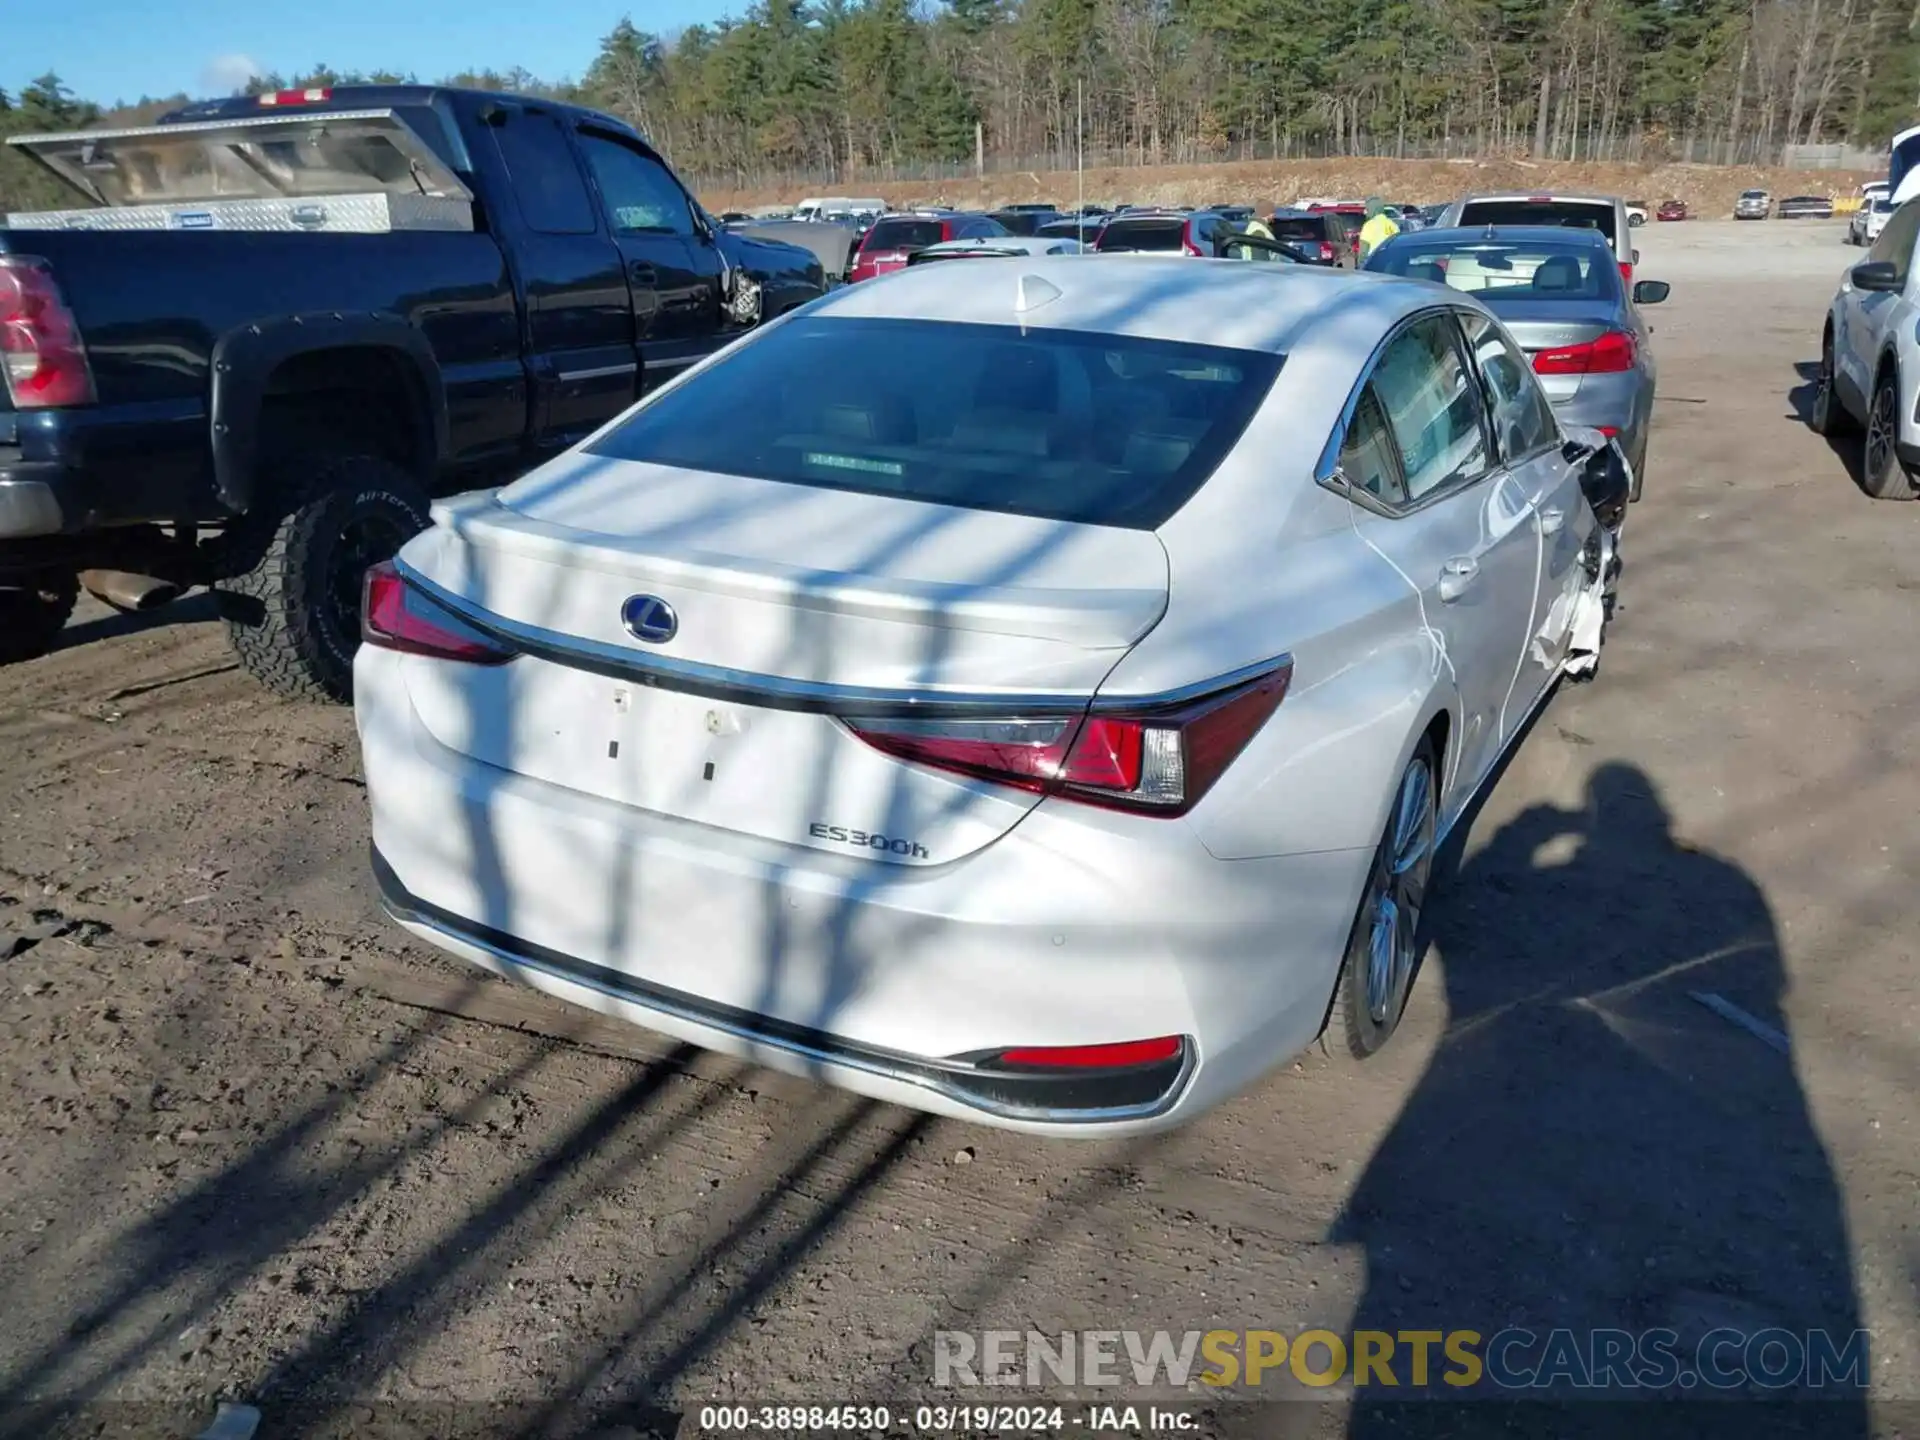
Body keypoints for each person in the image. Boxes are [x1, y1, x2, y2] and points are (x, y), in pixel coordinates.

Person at [1357, 195, 1400, 262]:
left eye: (1367, 209)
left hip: (1374, 264)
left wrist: (1360, 266)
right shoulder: (1393, 225)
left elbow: (1363, 252)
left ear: (1373, 209)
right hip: (1390, 264)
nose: (1365, 212)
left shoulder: (1368, 226)